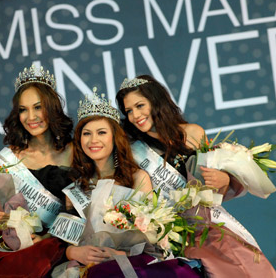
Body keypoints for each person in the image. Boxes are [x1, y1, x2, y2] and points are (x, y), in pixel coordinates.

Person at [116, 75, 276, 277]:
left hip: (209, 226)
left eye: (140, 105)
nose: (135, 115)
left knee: (243, 259)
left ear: (156, 101)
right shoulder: (134, 152)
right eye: (129, 111)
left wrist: (225, 180)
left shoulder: (192, 133)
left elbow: (211, 187)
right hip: (173, 235)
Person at [54, 88, 201, 277]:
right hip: (89, 262)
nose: (93, 140)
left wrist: (121, 254)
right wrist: (73, 252)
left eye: (101, 132)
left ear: (115, 138)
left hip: (133, 260)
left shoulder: (137, 178)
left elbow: (151, 235)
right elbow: (66, 239)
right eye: (86, 133)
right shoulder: (75, 184)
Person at [0, 65, 74, 278]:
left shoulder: (75, 152)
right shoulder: (10, 157)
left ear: (52, 107)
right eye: (23, 109)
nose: (31, 116)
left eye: (38, 107)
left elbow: (86, 208)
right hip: (13, 244)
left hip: (59, 245)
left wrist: (48, 239)